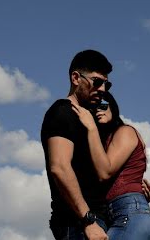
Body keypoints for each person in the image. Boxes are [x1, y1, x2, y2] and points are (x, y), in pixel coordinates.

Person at [41, 49, 114, 240]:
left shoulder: (89, 119)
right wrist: (88, 221)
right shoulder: (62, 112)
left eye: (107, 84)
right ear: (76, 78)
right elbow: (60, 168)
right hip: (77, 224)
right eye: (97, 82)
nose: (102, 89)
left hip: (96, 222)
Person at [72, 91, 150, 240]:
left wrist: (91, 128)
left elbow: (105, 172)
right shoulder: (104, 143)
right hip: (120, 215)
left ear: (113, 107)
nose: (98, 110)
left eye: (103, 105)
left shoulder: (125, 131)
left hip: (130, 214)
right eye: (93, 108)